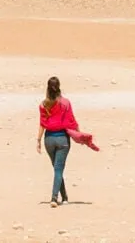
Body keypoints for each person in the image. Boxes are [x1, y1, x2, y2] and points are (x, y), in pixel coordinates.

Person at [36, 76, 77, 207]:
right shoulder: (65, 103)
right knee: (58, 169)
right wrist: (79, 134)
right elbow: (71, 120)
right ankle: (54, 198)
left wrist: (38, 140)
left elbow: (42, 123)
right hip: (63, 139)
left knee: (57, 169)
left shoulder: (43, 105)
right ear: (59, 86)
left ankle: (64, 197)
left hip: (49, 139)